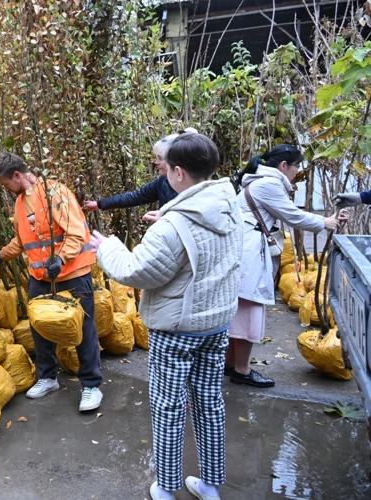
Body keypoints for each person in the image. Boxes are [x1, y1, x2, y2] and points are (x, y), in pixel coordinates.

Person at [88, 133, 241, 500]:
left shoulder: (173, 226)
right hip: (217, 323)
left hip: (178, 330)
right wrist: (166, 218)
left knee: (169, 407)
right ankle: (209, 484)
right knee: (209, 403)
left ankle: (167, 488)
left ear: (176, 172)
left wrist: (106, 246)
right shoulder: (227, 203)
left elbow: (136, 271)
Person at [0, 151, 103, 412]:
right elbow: (23, 241)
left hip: (72, 274)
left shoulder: (55, 193)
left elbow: (76, 234)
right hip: (40, 277)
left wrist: (59, 260)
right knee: (39, 327)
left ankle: (91, 385)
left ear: (17, 175)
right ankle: (48, 377)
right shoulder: (19, 202)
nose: (6, 189)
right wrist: (0, 256)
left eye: (6, 184)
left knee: (83, 330)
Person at [228, 144, 347, 388]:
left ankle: (230, 364)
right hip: (249, 253)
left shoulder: (257, 181)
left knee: (239, 308)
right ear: (283, 166)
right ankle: (241, 369)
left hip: (243, 249)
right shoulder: (268, 184)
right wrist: (326, 222)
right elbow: (292, 215)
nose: (296, 172)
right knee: (249, 308)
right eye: (296, 167)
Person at [84, 128, 198, 223]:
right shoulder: (163, 182)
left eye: (160, 158)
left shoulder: (195, 186)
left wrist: (167, 220)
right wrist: (99, 204)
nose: (156, 162)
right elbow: (135, 197)